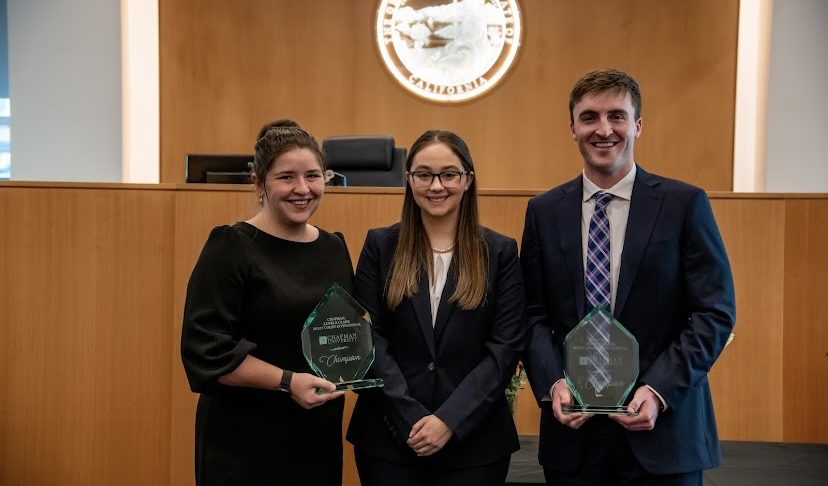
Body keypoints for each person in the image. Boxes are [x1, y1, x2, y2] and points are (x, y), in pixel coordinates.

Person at [521, 68, 736, 486]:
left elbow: (714, 312)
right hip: (574, 440)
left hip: (664, 435)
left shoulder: (684, 204)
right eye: (590, 117)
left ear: (638, 124)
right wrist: (552, 384)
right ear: (573, 129)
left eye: (617, 116)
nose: (604, 130)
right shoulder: (544, 212)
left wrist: (658, 391)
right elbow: (530, 313)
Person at [346, 130, 525, 486]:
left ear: (468, 179)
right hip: (389, 439)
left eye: (449, 174)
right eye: (424, 174)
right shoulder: (380, 245)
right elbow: (368, 338)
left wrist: (449, 420)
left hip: (476, 444)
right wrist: (410, 416)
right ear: (409, 179)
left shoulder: (500, 252)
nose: (436, 185)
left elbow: (504, 349)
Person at [180, 119, 351, 486]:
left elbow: (343, 333)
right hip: (245, 441)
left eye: (314, 176)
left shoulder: (335, 247)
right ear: (258, 182)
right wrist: (288, 382)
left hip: (316, 436)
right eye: (286, 177)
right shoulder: (231, 246)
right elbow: (205, 351)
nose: (302, 189)